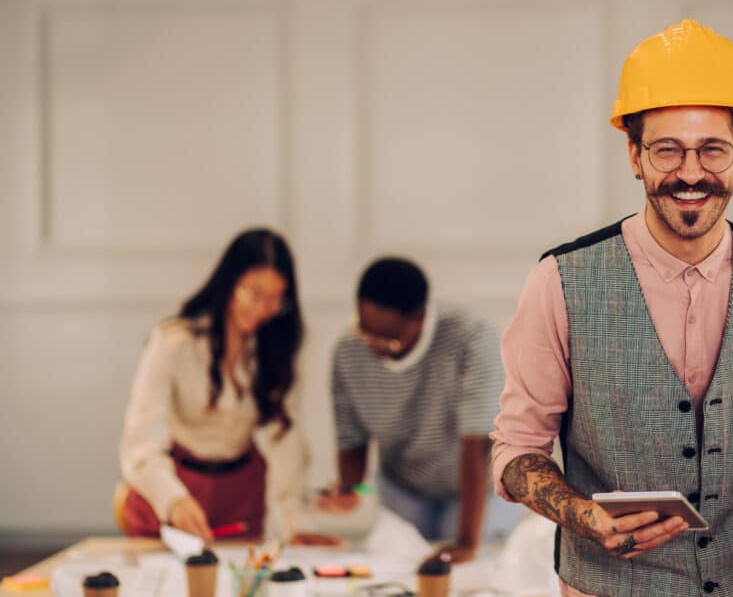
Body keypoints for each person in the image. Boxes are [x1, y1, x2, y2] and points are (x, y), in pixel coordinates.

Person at [490, 19, 733, 597]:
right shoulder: (559, 281)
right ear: (634, 156)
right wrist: (586, 517)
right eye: (666, 150)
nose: (689, 173)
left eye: (712, 150)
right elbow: (517, 452)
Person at [119, 228, 336, 545]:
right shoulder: (174, 341)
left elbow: (283, 440)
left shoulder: (274, 351)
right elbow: (141, 438)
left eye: (277, 299)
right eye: (254, 293)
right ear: (230, 283)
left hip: (240, 494)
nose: (264, 309)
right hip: (174, 486)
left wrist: (296, 524)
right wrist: (172, 500)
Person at [319, 256, 521, 562]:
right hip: (403, 487)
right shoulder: (349, 350)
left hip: (476, 490)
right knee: (401, 572)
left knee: (472, 575)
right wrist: (350, 489)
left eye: (389, 340)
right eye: (366, 332)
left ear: (420, 318)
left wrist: (466, 542)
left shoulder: (470, 337)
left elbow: (477, 445)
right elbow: (351, 436)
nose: (374, 346)